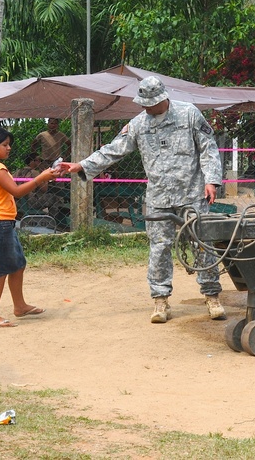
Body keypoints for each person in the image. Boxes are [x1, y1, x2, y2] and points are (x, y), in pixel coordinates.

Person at [59, 77, 225, 324]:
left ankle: (212, 296)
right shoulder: (138, 124)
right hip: (159, 196)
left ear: (163, 98)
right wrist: (81, 165)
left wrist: (211, 180)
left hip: (192, 194)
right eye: (144, 103)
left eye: (151, 103)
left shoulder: (189, 114)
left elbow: (208, 147)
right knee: (159, 248)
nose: (147, 108)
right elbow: (113, 149)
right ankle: (160, 301)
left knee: (202, 244)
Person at [0, 126, 60, 328]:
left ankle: (20, 306)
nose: (9, 148)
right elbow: (17, 192)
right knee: (0, 270)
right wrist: (40, 178)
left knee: (18, 265)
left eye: (9, 144)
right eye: (5, 145)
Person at [13, 152, 67, 221]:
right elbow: (44, 189)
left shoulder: (18, 171)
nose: (40, 162)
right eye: (38, 160)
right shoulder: (34, 172)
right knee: (54, 198)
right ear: (31, 161)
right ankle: (54, 220)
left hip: (18, 202)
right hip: (31, 201)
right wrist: (45, 178)